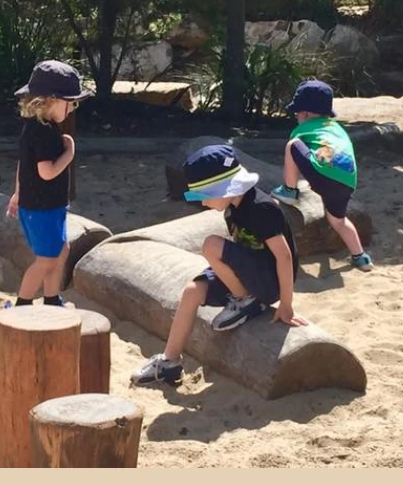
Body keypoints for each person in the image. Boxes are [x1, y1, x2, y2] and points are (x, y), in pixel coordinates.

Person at [131, 144, 306, 386]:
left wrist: (286, 304)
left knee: (211, 245)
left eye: (203, 196)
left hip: (269, 281)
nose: (202, 204)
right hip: (248, 274)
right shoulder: (233, 209)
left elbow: (284, 257)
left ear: (224, 188)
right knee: (192, 291)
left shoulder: (261, 208)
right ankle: (170, 362)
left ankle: (244, 300)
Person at [4, 60, 92, 307]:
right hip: (41, 208)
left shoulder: (40, 127)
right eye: (70, 102)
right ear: (51, 100)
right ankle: (23, 303)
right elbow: (46, 172)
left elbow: (24, 164)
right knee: (46, 259)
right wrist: (69, 154)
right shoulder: (42, 132)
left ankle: (52, 299)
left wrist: (17, 192)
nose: (73, 108)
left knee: (60, 252)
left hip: (47, 205)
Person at [269, 79, 373, 271]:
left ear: (305, 113)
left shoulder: (302, 129)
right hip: (347, 181)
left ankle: (289, 191)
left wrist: (308, 176)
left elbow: (297, 154)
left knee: (292, 146)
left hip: (323, 175)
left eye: (297, 114)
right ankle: (360, 257)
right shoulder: (336, 129)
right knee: (338, 221)